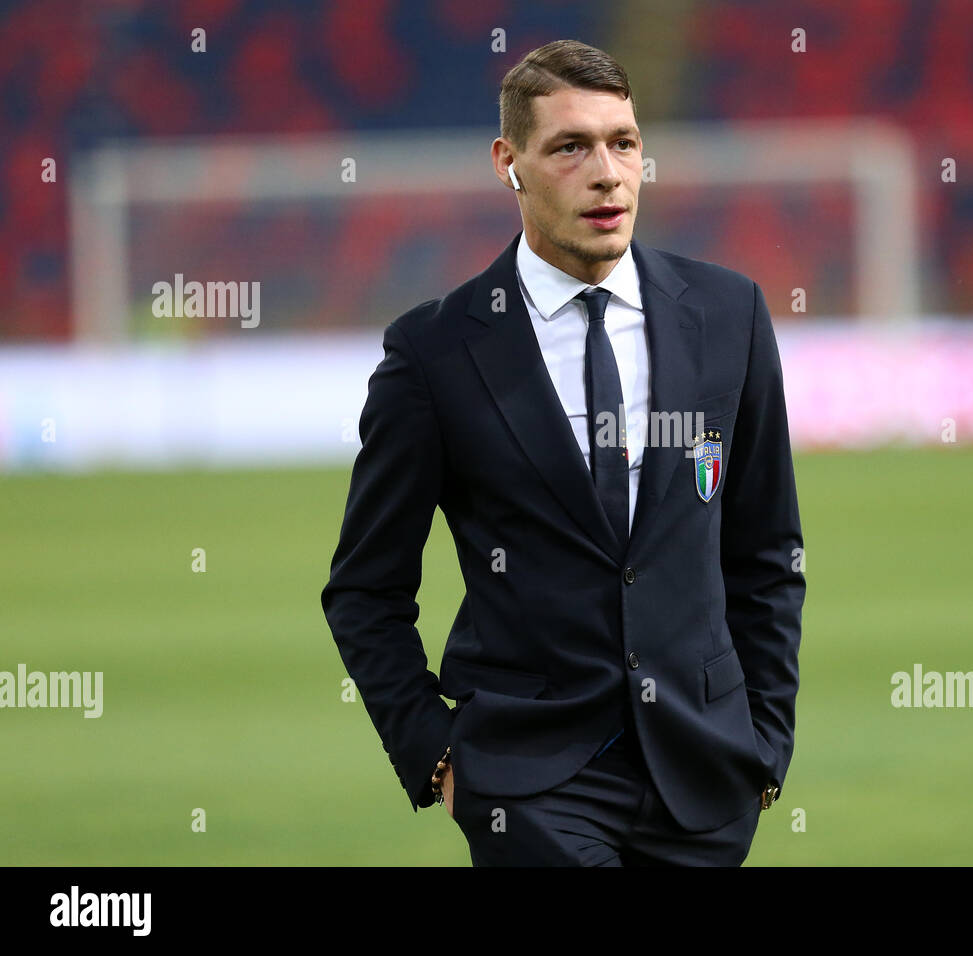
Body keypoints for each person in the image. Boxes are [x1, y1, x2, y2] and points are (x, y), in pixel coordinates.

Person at [321, 38, 805, 866]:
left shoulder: (729, 316)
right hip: (528, 785)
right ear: (510, 163)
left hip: (705, 776)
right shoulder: (435, 354)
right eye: (570, 147)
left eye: (624, 143)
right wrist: (435, 752)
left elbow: (766, 552)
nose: (608, 173)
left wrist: (764, 744)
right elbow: (365, 589)